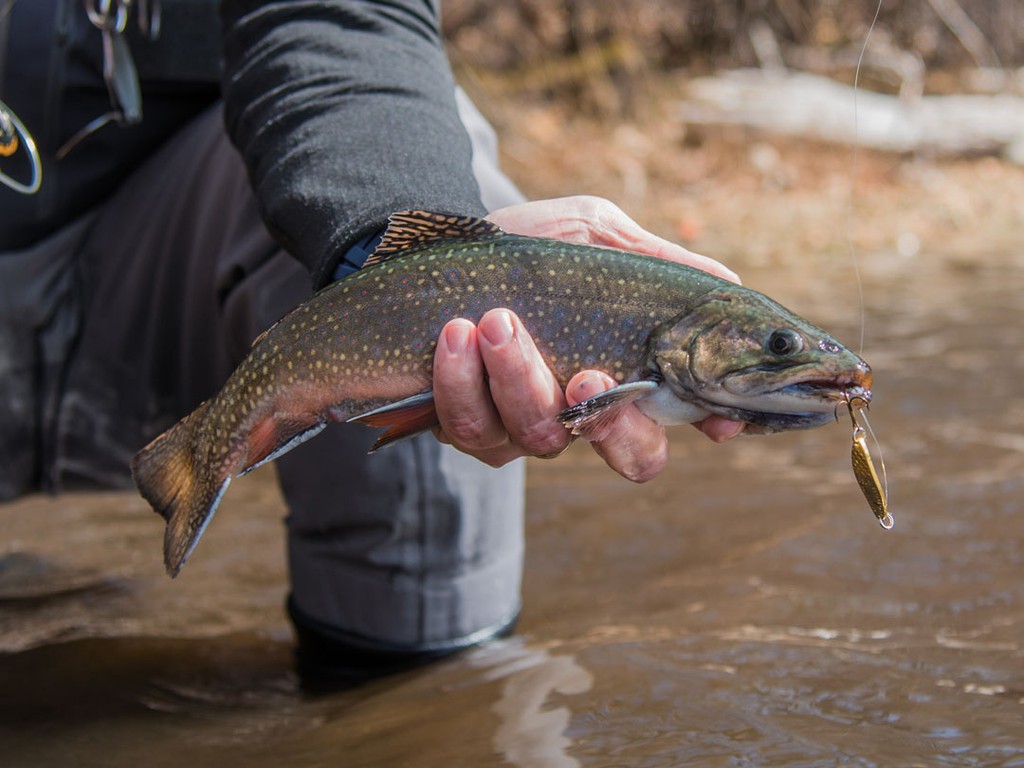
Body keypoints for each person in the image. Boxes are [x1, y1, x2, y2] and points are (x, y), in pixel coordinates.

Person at [0, 0, 742, 685]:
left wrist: (409, 258)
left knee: (464, 237)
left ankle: (414, 707)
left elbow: (335, 16)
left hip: (159, 235)